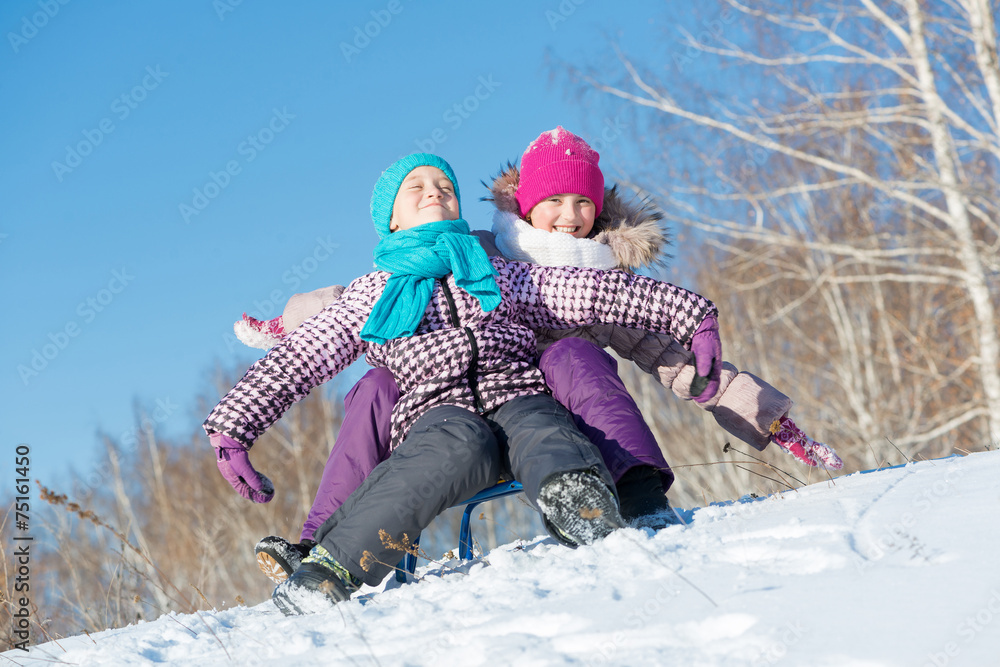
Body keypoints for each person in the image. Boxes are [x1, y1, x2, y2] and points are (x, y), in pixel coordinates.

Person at [240, 128, 843, 584]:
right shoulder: (480, 253)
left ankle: (631, 493)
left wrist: (769, 417)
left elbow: (672, 357)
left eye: (583, 203)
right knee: (374, 385)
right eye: (554, 200)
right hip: (441, 409)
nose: (569, 217)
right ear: (524, 205)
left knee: (573, 354)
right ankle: (320, 543)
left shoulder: (596, 280)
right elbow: (353, 301)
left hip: (539, 409)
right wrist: (286, 326)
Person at [205, 152, 724, 614]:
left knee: (543, 426)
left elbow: (593, 291)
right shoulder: (371, 294)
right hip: (436, 413)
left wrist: (691, 316)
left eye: (445, 186)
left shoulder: (496, 272)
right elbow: (299, 358)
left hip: (516, 391)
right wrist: (233, 428)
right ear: (390, 219)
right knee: (453, 445)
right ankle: (330, 568)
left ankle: (577, 499)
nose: (434, 191)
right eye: (416, 187)